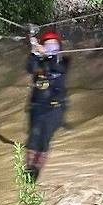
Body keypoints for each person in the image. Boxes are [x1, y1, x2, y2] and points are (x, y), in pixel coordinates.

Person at [25, 29, 68, 181]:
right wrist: (33, 50)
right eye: (47, 45)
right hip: (37, 107)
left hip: (54, 109)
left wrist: (48, 54)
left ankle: (36, 170)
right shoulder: (39, 61)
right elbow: (30, 68)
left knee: (44, 141)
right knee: (32, 140)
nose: (50, 48)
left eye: (53, 46)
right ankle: (28, 171)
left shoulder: (62, 62)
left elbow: (56, 69)